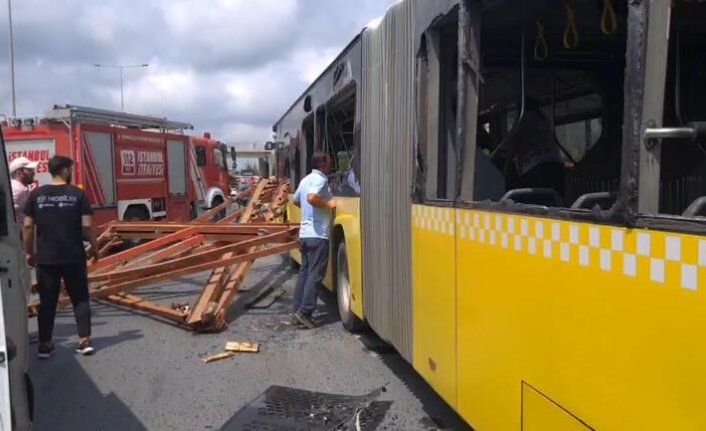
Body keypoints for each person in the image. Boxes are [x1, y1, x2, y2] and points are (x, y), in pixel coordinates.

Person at [23, 155, 99, 358]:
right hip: (73, 256)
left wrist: (30, 251)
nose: (71, 172)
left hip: (46, 258)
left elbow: (28, 226)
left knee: (47, 300)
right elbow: (88, 225)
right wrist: (95, 247)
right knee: (80, 298)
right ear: (65, 170)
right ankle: (84, 341)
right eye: (71, 169)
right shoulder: (77, 195)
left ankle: (45, 344)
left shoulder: (36, 195)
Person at [291, 152, 336, 329]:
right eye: (329, 161)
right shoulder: (321, 180)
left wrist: (309, 213)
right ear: (323, 164)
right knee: (315, 275)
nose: (331, 164)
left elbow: (296, 200)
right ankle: (305, 312)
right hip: (318, 235)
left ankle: (297, 309)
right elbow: (311, 198)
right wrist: (328, 206)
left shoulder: (304, 180)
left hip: (305, 234)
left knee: (305, 272)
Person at [9, 156, 38, 225]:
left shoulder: (19, 187)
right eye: (29, 170)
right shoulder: (17, 189)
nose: (33, 173)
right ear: (19, 173)